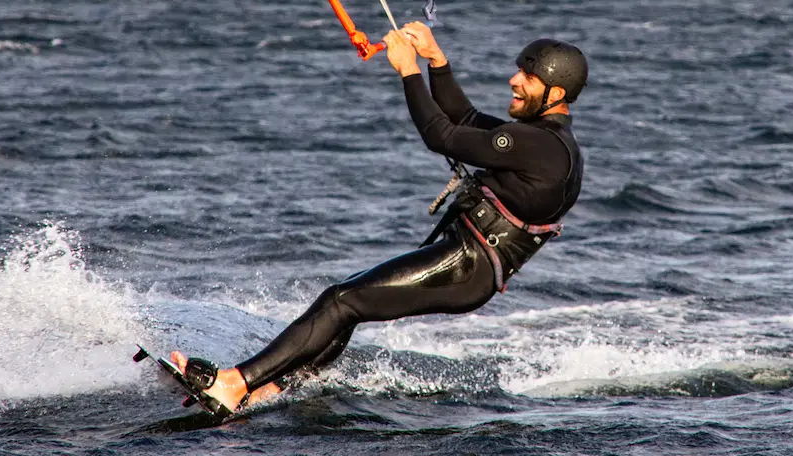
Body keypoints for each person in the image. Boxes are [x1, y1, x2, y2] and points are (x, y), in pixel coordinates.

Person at [169, 22, 587, 414]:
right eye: (518, 72)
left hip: (467, 266)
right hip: (467, 263)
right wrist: (436, 61)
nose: (514, 81)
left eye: (528, 78)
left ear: (556, 93)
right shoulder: (550, 142)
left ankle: (235, 383)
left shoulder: (537, 145)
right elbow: (466, 121)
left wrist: (408, 71)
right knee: (349, 303)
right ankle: (271, 389)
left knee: (341, 301)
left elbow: (441, 136)